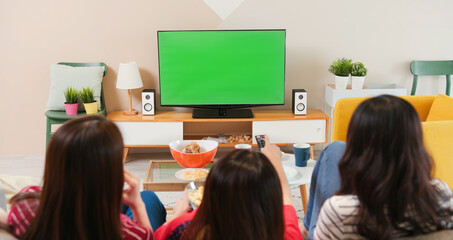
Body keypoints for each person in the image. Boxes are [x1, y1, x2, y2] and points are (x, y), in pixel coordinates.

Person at [302, 95, 453, 239]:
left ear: (356, 147)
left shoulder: (340, 211)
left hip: (335, 226)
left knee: (334, 149)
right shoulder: (442, 194)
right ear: (416, 146)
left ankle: (307, 227)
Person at [3, 115, 167, 240]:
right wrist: (136, 204)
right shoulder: (127, 231)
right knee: (148, 197)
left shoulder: (25, 205)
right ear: (108, 173)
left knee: (146, 196)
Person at [154, 136, 303, 240]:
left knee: (149, 198)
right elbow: (286, 198)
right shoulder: (285, 234)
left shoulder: (185, 227)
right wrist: (274, 158)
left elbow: (158, 236)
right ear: (270, 201)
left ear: (211, 194)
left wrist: (178, 214)